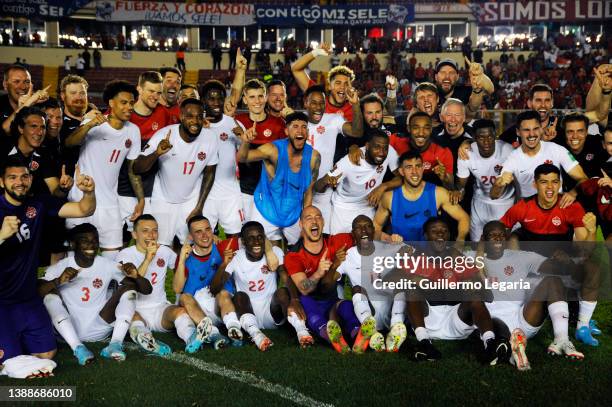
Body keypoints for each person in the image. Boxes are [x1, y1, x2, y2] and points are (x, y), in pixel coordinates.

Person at [0, 156, 95, 365]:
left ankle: (13, 336)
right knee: (9, 360)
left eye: (24, 176)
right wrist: (1, 236)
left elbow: (83, 209)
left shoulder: (38, 203)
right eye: (12, 177)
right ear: (2, 182)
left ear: (31, 179)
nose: (19, 182)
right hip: (1, 302)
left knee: (46, 355)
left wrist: (88, 192)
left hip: (27, 298)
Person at [477, 221, 587, 369]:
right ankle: (511, 348)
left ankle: (561, 339)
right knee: (493, 327)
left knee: (552, 281)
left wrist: (565, 262)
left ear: (507, 237)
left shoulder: (521, 257)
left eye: (501, 235)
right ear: (483, 238)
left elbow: (562, 270)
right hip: (491, 321)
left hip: (522, 318)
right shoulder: (472, 257)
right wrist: (479, 246)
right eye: (492, 235)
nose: (498, 239)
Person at [39, 223, 152, 363]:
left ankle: (115, 344)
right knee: (50, 296)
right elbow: (36, 292)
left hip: (99, 327)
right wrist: (57, 281)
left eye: (94, 240)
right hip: (68, 329)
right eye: (85, 241)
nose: (91, 245)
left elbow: (146, 290)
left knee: (129, 288)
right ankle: (77, 347)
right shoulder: (60, 267)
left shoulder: (107, 264)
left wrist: (137, 276)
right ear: (73, 244)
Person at [403, 217, 510, 364]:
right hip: (428, 320)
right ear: (426, 235)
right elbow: (389, 281)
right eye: (434, 231)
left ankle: (490, 344)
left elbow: (487, 294)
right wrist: (413, 278)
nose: (440, 234)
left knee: (473, 292)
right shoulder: (416, 258)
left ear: (449, 236)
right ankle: (425, 344)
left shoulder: (457, 257)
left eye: (444, 231)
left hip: (457, 319)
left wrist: (470, 282)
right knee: (410, 288)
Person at [64, 80, 143, 260]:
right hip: (80, 199)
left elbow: (132, 169)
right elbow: (70, 142)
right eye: (124, 102)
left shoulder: (133, 131)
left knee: (112, 257)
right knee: (74, 257)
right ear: (111, 103)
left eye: (131, 103)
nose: (129, 107)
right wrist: (89, 125)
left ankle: (107, 288)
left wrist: (140, 199)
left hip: (109, 202)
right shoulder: (92, 122)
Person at [117, 215, 213, 355]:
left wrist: (205, 246)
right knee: (132, 318)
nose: (151, 235)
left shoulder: (164, 251)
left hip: (159, 307)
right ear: (134, 234)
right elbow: (134, 283)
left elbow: (185, 268)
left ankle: (192, 338)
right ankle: (148, 340)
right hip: (135, 308)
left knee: (180, 312)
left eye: (155, 230)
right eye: (145, 230)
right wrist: (148, 258)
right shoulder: (124, 255)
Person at [213, 221, 314, 350]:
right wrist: (224, 265)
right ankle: (257, 335)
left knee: (283, 291)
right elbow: (215, 289)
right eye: (251, 238)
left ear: (265, 238)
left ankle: (302, 332)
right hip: (246, 310)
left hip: (271, 310)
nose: (256, 242)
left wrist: (294, 299)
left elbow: (286, 278)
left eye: (260, 237)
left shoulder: (275, 252)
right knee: (239, 296)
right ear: (243, 242)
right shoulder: (237, 257)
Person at [285, 206, 373, 354]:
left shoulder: (337, 241)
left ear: (323, 222)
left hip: (332, 302)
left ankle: (358, 335)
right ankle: (330, 335)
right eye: (309, 218)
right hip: (310, 305)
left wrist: (390, 238)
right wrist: (318, 273)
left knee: (346, 305)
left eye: (318, 217)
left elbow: (365, 234)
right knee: (307, 302)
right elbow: (304, 288)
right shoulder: (294, 255)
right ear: (301, 224)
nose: (314, 221)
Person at [133, 98, 218, 247]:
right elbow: (137, 168)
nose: (195, 121)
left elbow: (210, 173)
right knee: (160, 246)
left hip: (191, 199)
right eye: (190, 116)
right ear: (181, 116)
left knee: (190, 245)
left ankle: (183, 269)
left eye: (199, 116)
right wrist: (156, 153)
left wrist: (199, 206)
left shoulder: (210, 137)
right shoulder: (164, 135)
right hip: (163, 199)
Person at [237, 112, 320, 245]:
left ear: (308, 132)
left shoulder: (314, 157)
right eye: (295, 126)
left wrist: (306, 218)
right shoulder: (273, 150)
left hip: (294, 212)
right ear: (286, 131)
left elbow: (308, 191)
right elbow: (242, 158)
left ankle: (366, 265)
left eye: (304, 127)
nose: (300, 130)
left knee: (305, 248)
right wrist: (246, 142)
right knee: (263, 253)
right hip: (266, 208)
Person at [337, 215, 408, 352]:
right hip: (366, 310)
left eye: (367, 226)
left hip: (390, 308)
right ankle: (372, 332)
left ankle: (395, 329)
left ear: (374, 231)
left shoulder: (387, 248)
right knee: (358, 288)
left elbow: (413, 255)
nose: (363, 230)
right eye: (358, 227)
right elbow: (328, 282)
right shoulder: (348, 255)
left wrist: (401, 244)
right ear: (353, 233)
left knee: (401, 285)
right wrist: (333, 265)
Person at [173, 216, 242, 348]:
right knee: (184, 297)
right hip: (197, 312)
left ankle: (234, 330)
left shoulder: (223, 247)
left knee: (223, 293)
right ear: (191, 236)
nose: (204, 235)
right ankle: (214, 334)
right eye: (198, 232)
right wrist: (181, 260)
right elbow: (176, 288)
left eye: (207, 229)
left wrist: (269, 251)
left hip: (223, 305)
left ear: (212, 230)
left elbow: (255, 232)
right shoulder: (185, 256)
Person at [492, 111, 588, 205]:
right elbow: (494, 195)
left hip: (556, 213)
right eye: (526, 130)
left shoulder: (557, 149)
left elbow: (583, 178)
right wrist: (499, 185)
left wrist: (573, 193)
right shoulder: (513, 158)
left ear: (541, 129)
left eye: (535, 128)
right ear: (518, 132)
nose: (531, 134)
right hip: (527, 215)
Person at [374, 150, 470, 243]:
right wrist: (388, 238)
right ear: (401, 171)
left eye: (418, 166)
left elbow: (464, 217)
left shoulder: (438, 193)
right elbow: (376, 228)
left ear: (423, 169)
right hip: (402, 254)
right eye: (409, 167)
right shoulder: (389, 197)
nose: (414, 171)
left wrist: (460, 240)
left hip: (430, 254)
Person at [304, 85, 363, 233]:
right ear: (306, 103)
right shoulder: (297, 123)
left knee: (324, 233)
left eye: (322, 103)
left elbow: (356, 132)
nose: (318, 107)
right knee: (299, 235)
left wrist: (355, 105)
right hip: (299, 190)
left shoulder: (334, 119)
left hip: (324, 190)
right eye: (314, 102)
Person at [316, 130, 399, 235]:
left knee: (368, 247)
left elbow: (402, 176)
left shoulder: (389, 152)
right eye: (377, 147)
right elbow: (317, 188)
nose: (382, 152)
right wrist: (326, 181)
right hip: (344, 209)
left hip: (367, 207)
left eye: (384, 148)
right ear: (367, 146)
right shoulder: (348, 162)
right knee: (340, 246)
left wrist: (383, 186)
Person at [118, 71, 170, 234]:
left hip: (150, 191)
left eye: (158, 92)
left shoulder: (164, 114)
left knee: (149, 238)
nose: (155, 96)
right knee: (119, 239)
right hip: (120, 189)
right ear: (139, 89)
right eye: (151, 91)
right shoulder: (122, 113)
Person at [500, 164, 597, 242]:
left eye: (554, 182)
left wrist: (591, 231)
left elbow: (585, 251)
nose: (550, 187)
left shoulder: (572, 206)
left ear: (560, 184)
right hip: (530, 257)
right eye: (544, 182)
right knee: (513, 238)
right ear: (535, 184)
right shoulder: (523, 207)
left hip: (562, 255)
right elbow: (498, 229)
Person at [234, 79, 286, 220]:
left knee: (270, 231)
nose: (257, 101)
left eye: (260, 96)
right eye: (252, 97)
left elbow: (284, 158)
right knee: (245, 232)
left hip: (269, 190)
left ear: (266, 97)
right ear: (245, 100)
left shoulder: (279, 124)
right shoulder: (236, 122)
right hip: (243, 190)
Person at [456, 119, 514, 241]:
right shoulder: (466, 153)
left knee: (507, 248)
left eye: (490, 136)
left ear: (495, 135)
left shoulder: (508, 151)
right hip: (480, 203)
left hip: (506, 204)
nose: (486, 141)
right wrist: (459, 190)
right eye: (481, 138)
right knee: (478, 244)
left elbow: (518, 183)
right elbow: (461, 184)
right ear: (474, 138)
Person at [200, 80, 244, 237]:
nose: (216, 102)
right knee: (202, 237)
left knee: (235, 237)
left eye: (220, 98)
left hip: (230, 193)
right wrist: (201, 133)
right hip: (204, 193)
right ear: (203, 101)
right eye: (211, 99)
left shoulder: (233, 124)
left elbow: (244, 156)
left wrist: (245, 140)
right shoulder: (196, 126)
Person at [1, 64, 49, 137]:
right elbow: (5, 130)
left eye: (27, 82)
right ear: (5, 85)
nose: (23, 87)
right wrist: (27, 104)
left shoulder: (40, 106)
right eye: (16, 81)